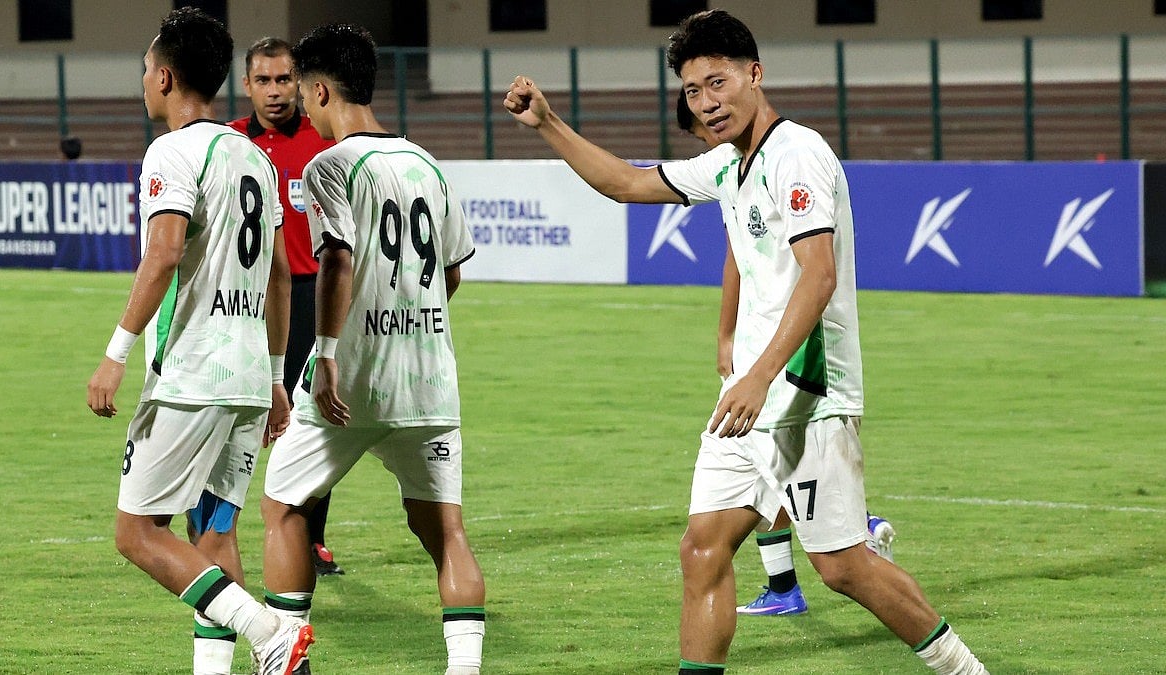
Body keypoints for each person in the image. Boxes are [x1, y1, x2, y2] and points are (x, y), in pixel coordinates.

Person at [504, 10, 986, 674]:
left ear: (754, 74)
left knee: (842, 565)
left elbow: (819, 276)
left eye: (717, 82)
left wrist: (758, 373)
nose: (706, 102)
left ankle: (966, 669)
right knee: (702, 546)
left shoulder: (799, 154)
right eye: (694, 91)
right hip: (747, 402)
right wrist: (549, 124)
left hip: (805, 395)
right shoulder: (728, 165)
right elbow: (626, 183)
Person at [85, 8, 313, 675]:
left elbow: (162, 254)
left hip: (193, 377)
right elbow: (279, 276)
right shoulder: (254, 156)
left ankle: (270, 630)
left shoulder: (174, 151)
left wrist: (115, 352)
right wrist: (275, 376)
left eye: (144, 73)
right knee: (214, 532)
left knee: (137, 532)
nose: (143, 84)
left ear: (164, 76)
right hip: (246, 377)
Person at [258, 24, 485, 675]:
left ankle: (287, 654)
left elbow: (336, 260)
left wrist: (326, 352)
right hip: (431, 378)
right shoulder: (428, 163)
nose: (300, 103)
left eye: (303, 90)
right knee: (446, 531)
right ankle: (464, 668)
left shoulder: (330, 165)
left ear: (321, 88)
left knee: (284, 505)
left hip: (351, 379)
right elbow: (453, 273)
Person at [673, 91, 897, 617]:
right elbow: (627, 183)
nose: (707, 135)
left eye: (703, 131)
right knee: (740, 498)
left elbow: (760, 261)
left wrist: (727, 335)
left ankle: (833, 545)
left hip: (790, 365)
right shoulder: (732, 168)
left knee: (833, 555)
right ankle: (786, 583)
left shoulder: (785, 157)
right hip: (762, 358)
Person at [228, 37, 344, 579]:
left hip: (311, 295)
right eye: (263, 81)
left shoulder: (325, 143)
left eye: (283, 79)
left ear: (299, 82)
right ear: (246, 84)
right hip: (247, 298)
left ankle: (311, 538)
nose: (274, 91)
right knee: (235, 416)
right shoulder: (231, 144)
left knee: (311, 422)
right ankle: (216, 528)